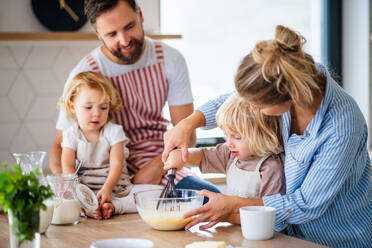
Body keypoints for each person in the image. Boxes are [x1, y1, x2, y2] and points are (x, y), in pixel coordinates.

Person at [162, 25, 371, 247]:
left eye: (257, 105)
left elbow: (306, 204)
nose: (250, 109)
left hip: (336, 239)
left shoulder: (342, 126)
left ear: (290, 97)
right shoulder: (289, 78)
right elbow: (233, 101)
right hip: (286, 235)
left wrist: (233, 206)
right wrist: (187, 124)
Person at [50, 0, 220, 194]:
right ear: (98, 34)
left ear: (140, 16)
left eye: (129, 27)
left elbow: (186, 135)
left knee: (210, 197)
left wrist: (157, 168)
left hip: (159, 160)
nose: (124, 40)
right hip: (106, 177)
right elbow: (59, 145)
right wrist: (69, 190)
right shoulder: (86, 73)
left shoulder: (169, 59)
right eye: (112, 34)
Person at [163, 93, 286, 228]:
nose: (229, 143)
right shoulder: (230, 154)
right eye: (226, 135)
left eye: (237, 137)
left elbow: (268, 215)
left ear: (263, 134)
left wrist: (224, 216)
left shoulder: (271, 167)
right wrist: (182, 156)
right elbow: (203, 156)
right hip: (236, 229)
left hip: (260, 232)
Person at [59, 71, 162, 219]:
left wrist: (107, 189)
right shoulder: (71, 135)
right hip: (84, 190)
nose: (96, 114)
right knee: (54, 193)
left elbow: (116, 164)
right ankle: (90, 208)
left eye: (103, 107)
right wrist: (81, 193)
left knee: (160, 192)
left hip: (117, 189)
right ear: (73, 106)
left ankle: (115, 206)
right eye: (88, 107)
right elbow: (67, 168)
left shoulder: (114, 131)